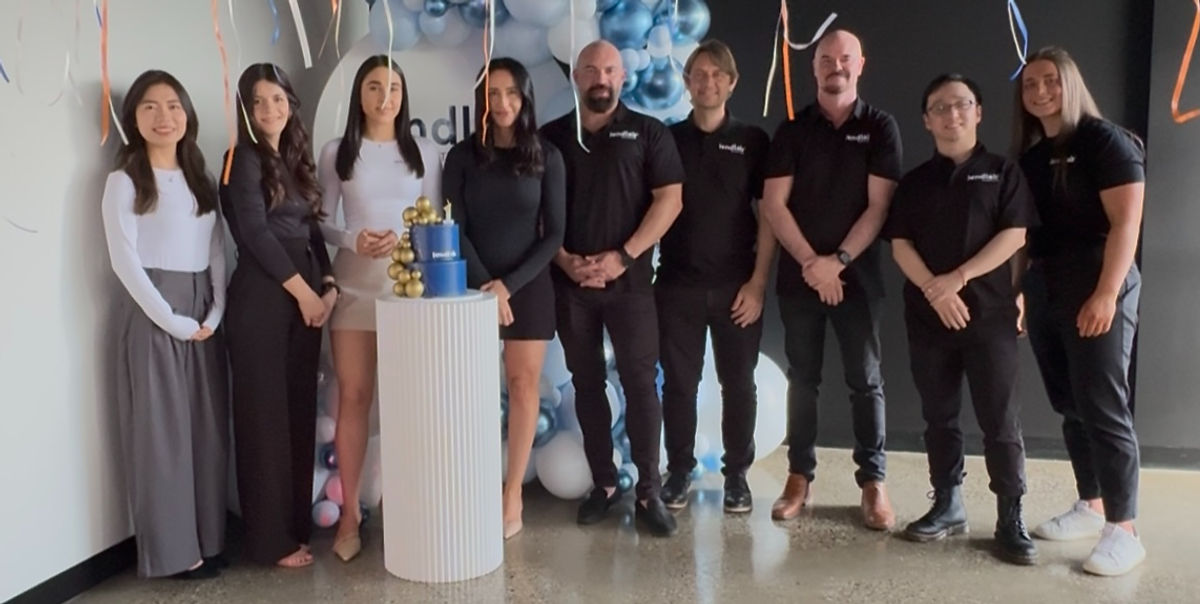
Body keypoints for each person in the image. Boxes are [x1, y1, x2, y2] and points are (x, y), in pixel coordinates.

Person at [886, 74, 1038, 565]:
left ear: (978, 112)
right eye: (940, 107)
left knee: (1000, 422)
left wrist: (957, 278)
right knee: (939, 417)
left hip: (990, 319)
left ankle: (1010, 516)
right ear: (926, 121)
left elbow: (1015, 236)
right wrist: (936, 292)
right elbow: (901, 245)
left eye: (961, 104)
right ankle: (948, 505)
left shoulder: (1003, 172)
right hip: (929, 319)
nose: (952, 114)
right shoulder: (914, 183)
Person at [540, 40, 683, 537]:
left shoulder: (649, 132)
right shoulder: (550, 138)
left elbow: (670, 201)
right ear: (576, 77)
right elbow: (536, 211)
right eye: (590, 70)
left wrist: (623, 257)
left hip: (631, 285)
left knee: (641, 384)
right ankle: (603, 483)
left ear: (622, 77)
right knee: (586, 384)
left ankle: (649, 491)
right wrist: (565, 260)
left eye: (609, 70)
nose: (600, 78)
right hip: (571, 283)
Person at [1014, 47, 1147, 576]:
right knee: (1069, 402)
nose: (1039, 91)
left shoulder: (1105, 141)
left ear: (1070, 83)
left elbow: (1126, 224)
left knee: (1102, 404)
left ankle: (1124, 529)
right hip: (1047, 286)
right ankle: (1091, 504)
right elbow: (1026, 236)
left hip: (1098, 280)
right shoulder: (1031, 158)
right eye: (1030, 84)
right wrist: (1019, 292)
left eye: (1050, 80)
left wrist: (1107, 293)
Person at [760, 29, 900, 529]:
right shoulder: (792, 130)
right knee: (803, 380)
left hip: (857, 278)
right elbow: (774, 204)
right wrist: (812, 264)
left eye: (844, 58)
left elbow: (879, 206)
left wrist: (836, 262)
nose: (834, 66)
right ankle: (799, 477)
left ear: (861, 64)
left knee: (866, 380)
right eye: (825, 59)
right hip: (801, 278)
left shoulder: (880, 127)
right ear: (813, 66)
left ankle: (873, 482)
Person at [101, 69, 229, 580]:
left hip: (202, 310)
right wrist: (173, 321)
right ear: (133, 118)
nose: (164, 117)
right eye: (150, 107)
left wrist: (215, 310)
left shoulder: (199, 177)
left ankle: (210, 539)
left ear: (187, 115)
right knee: (162, 437)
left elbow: (216, 248)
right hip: (154, 312)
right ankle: (176, 554)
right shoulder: (124, 181)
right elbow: (124, 261)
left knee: (205, 431)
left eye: (173, 105)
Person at [317, 55, 440, 561]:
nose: (384, 96)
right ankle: (349, 516)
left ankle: (405, 509)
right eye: (373, 86)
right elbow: (319, 221)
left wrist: (405, 239)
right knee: (355, 395)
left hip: (407, 288)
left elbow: (433, 221)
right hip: (354, 284)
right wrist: (353, 238)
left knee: (407, 400)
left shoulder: (424, 152)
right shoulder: (337, 152)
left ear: (404, 95)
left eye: (393, 87)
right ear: (359, 94)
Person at [443, 57, 566, 540]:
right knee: (468, 392)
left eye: (511, 92)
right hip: (471, 286)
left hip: (527, 286)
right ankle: (472, 484)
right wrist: (485, 285)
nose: (502, 103)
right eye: (492, 93)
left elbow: (554, 235)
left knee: (522, 386)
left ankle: (512, 493)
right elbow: (453, 228)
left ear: (525, 97)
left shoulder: (546, 156)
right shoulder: (462, 157)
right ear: (481, 100)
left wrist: (507, 286)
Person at [221, 63, 338, 569]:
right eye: (258, 101)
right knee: (264, 421)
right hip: (264, 299)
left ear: (290, 102)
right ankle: (270, 541)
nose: (269, 109)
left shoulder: (292, 159)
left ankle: (293, 530)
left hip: (304, 297)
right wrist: (305, 294)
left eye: (277, 98)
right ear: (246, 111)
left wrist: (328, 286)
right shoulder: (240, 159)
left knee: (296, 414)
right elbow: (255, 233)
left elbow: (312, 232)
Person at [656, 40, 774, 514]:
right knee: (679, 385)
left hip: (737, 287)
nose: (708, 82)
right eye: (699, 74)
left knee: (739, 385)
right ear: (687, 83)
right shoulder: (667, 139)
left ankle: (737, 476)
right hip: (676, 285)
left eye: (717, 74)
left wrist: (758, 284)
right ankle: (678, 471)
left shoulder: (753, 141)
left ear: (732, 82)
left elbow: (769, 218)